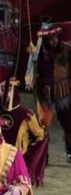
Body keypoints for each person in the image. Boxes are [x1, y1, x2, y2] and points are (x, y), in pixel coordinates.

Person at [27, 22, 71, 162]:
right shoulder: (37, 52)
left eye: (55, 37)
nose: (54, 40)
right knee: (42, 125)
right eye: (51, 38)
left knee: (69, 123)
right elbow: (30, 70)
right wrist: (29, 80)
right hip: (44, 93)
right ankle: (42, 154)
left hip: (63, 92)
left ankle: (70, 150)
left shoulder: (67, 49)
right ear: (45, 39)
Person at [0, 78, 48, 186]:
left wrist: (28, 151)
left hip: (16, 162)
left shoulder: (26, 115)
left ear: (15, 91)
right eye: (2, 89)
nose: (5, 93)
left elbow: (40, 135)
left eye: (8, 90)